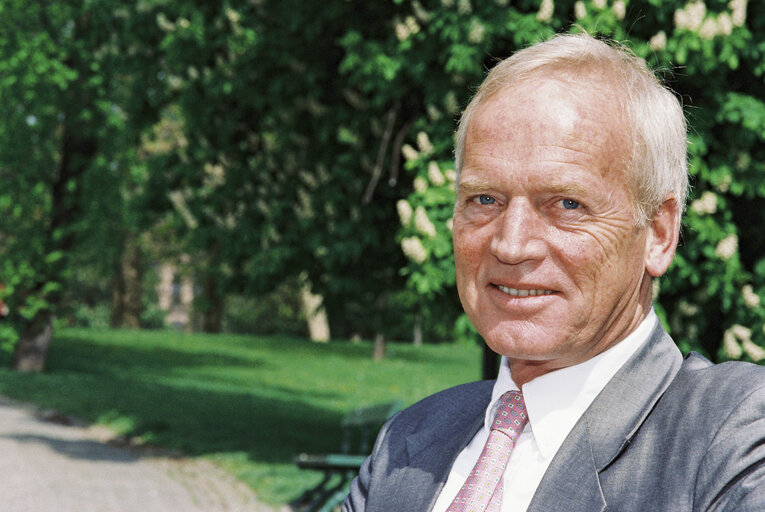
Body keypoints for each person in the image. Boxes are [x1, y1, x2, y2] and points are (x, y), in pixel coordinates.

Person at [342, 32, 765, 512]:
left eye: (567, 204)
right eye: (485, 199)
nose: (511, 243)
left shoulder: (732, 439)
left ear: (658, 233)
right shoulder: (412, 439)